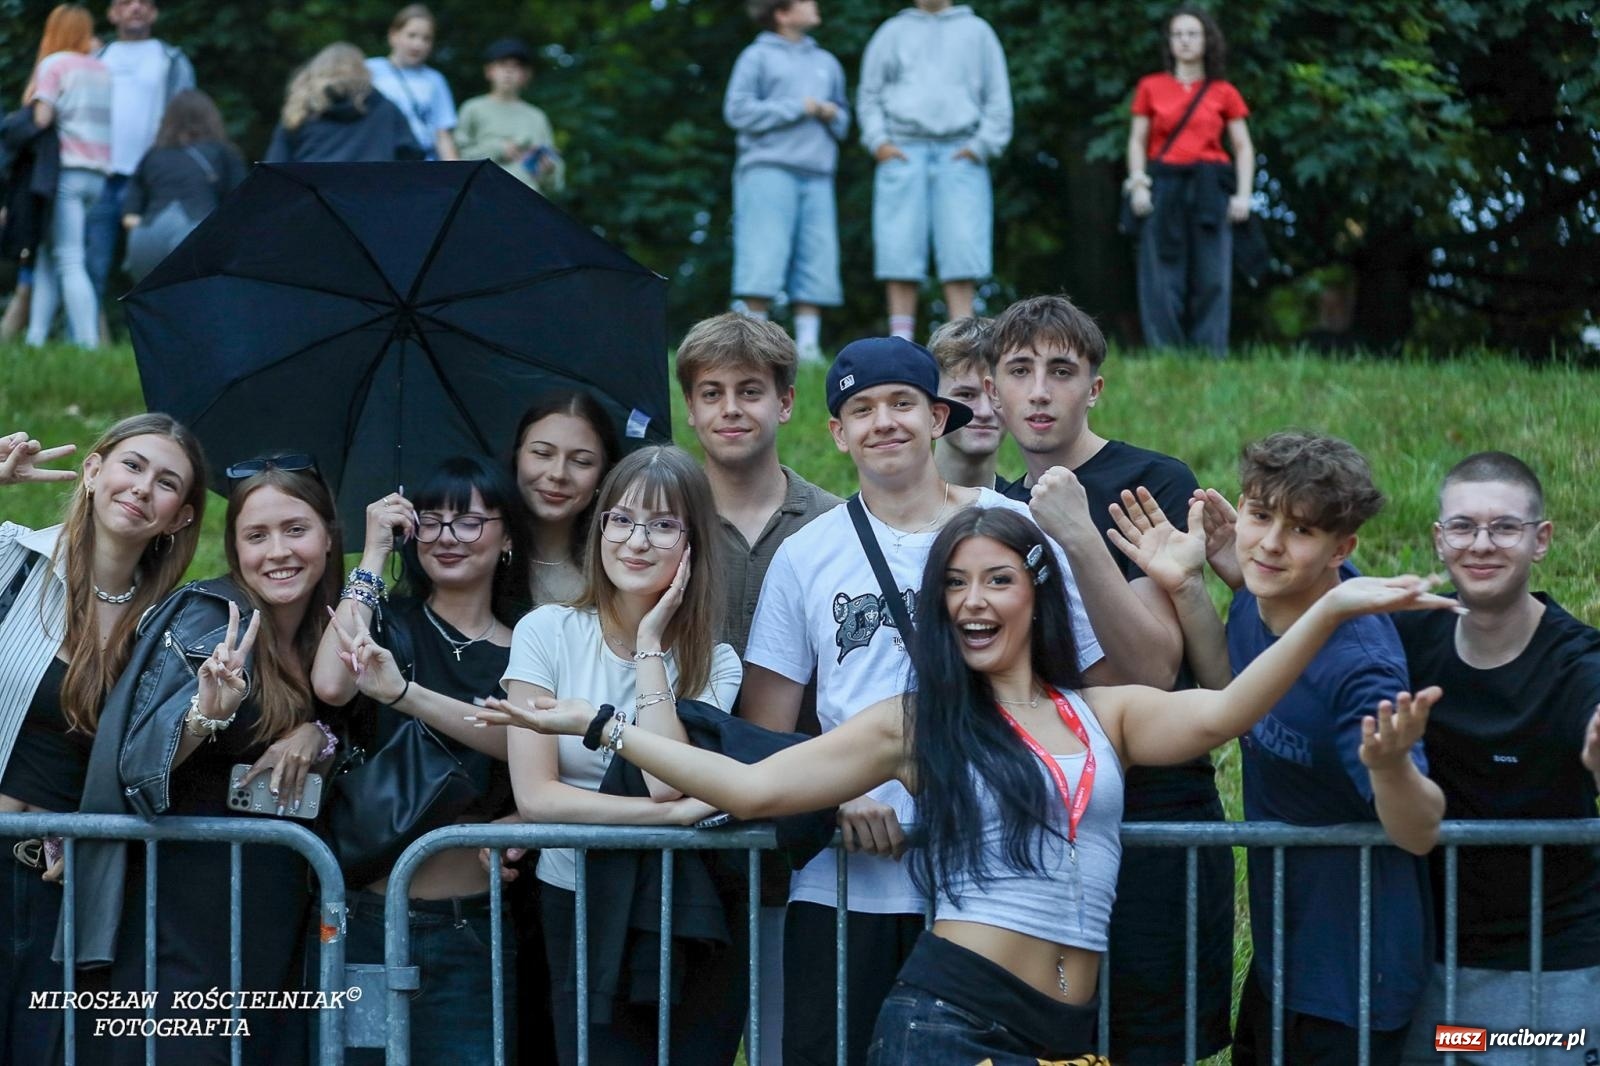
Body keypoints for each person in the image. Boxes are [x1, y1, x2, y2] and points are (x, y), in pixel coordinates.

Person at [480, 505, 1456, 1063]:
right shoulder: (918, 722)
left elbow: (1221, 710)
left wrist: (1325, 608)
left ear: (1035, 591)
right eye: (953, 584)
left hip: (1068, 1033)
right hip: (952, 1022)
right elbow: (754, 790)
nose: (971, 600)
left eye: (995, 579)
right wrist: (609, 721)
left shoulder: (1100, 712)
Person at [738, 335, 1126, 1066]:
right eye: (861, 408)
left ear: (937, 417)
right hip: (847, 885)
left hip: (994, 892)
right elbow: (766, 724)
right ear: (837, 431)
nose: (883, 422)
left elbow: (1075, 684)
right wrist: (832, 796)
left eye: (901, 404)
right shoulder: (807, 553)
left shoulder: (1013, 528)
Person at [1111, 431, 1446, 1065]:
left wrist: (1390, 765)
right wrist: (1186, 587)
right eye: (1261, 515)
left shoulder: (1361, 668)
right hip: (1283, 960)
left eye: (1301, 531)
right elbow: (1232, 695)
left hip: (1356, 979)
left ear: (1341, 550)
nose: (1268, 543)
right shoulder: (1261, 599)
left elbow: (1420, 829)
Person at [988, 293, 1234, 1061]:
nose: (1038, 391)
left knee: (1147, 1041)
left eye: (1060, 371)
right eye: (1019, 371)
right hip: (1034, 812)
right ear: (991, 388)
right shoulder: (985, 507)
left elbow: (1152, 669)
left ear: (1094, 387)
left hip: (1153, 811)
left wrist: (1076, 534)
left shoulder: (1148, 482)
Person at [78, 454, 342, 1065]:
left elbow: (351, 731)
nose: (277, 551)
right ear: (235, 548)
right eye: (256, 535)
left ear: (329, 536)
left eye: (295, 530)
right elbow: (140, 763)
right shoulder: (211, 619)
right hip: (185, 919)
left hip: (275, 916)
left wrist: (317, 736)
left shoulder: (324, 634)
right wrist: (207, 713)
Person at [491, 445, 745, 1065]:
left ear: (693, 544)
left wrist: (652, 644)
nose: (637, 541)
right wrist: (669, 822)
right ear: (600, 525)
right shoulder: (545, 631)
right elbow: (537, 798)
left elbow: (661, 782)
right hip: (574, 896)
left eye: (663, 525)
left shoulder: (718, 662)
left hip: (683, 905)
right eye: (622, 519)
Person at [313, 457, 533, 1066]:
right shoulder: (388, 619)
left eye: (468, 522)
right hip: (363, 914)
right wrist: (372, 554)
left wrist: (527, 819)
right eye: (430, 522)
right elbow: (332, 684)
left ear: (508, 535)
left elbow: (529, 747)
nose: (446, 537)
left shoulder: (534, 645)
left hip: (471, 925)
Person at [0, 418, 204, 1062]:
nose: (143, 488)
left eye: (166, 482)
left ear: (178, 518)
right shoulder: (11, 558)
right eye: (133, 466)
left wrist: (311, 734)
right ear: (93, 472)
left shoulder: (169, 630)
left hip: (56, 891)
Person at [1393, 452, 1600, 1066]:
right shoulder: (1409, 639)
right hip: (1429, 962)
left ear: (1541, 541)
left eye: (1505, 527)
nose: (1481, 544)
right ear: (1438, 539)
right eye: (1463, 526)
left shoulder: (1578, 663)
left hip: (1553, 968)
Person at [674, 311, 841, 1065]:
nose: (731, 409)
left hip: (798, 834)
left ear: (787, 402)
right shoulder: (656, 517)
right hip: (677, 826)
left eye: (750, 390)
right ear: (690, 408)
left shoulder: (837, 524)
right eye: (712, 393)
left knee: (790, 1044)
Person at [857, 0, 1011, 341]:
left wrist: (980, 146)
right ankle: (900, 343)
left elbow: (998, 98)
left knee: (962, 247)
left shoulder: (978, 32)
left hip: (960, 151)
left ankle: (962, 340)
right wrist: (879, 142)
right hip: (903, 149)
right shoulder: (891, 33)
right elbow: (869, 95)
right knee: (898, 247)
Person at [724, 0, 850, 363]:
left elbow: (843, 120)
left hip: (818, 173)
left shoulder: (827, 62)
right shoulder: (755, 57)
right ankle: (749, 342)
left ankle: (808, 348)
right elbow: (737, 110)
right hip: (768, 169)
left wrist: (831, 113)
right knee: (762, 253)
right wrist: (799, 107)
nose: (815, 6)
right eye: (805, 2)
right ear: (782, 13)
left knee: (817, 256)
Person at [1126, 6, 1255, 354]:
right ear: (1169, 42)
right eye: (1178, 34)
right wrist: (1138, 182)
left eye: (1192, 33)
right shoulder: (1150, 87)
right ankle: (1165, 354)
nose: (1185, 40)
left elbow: (1243, 147)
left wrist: (1243, 195)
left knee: (1213, 274)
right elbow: (1138, 140)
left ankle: (1210, 355)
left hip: (1210, 186)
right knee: (1161, 275)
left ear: (1207, 40)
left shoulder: (1224, 91)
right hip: (1164, 184)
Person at [85, 0, 196, 312]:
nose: (135, 7)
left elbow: (186, 122)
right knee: (92, 262)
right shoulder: (97, 58)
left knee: (155, 265)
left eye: (144, 2)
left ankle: (161, 334)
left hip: (153, 180)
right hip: (101, 174)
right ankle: (87, 340)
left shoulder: (172, 60)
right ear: (112, 13)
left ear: (154, 12)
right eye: (125, 2)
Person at [23, 4, 111, 349]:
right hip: (97, 176)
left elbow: (41, 117)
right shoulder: (103, 69)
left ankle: (88, 346)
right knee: (50, 253)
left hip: (67, 174)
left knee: (70, 259)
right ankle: (35, 340)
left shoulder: (54, 64)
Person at [510, 390, 621, 609]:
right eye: (542, 453)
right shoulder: (480, 553)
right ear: (516, 457)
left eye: (581, 461)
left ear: (603, 475)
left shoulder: (618, 566)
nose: (558, 474)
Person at [120, 89, 246, 282]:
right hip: (196, 236)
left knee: (155, 307)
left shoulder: (153, 154)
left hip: (146, 241)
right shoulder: (224, 153)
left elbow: (129, 217)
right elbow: (241, 208)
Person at [264, 42, 423, 164]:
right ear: (362, 70)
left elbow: (274, 167)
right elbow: (413, 156)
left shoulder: (298, 112)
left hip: (312, 202)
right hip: (374, 200)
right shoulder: (385, 108)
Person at [455, 38, 565, 195]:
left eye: (516, 67)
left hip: (528, 202)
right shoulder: (473, 109)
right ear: (489, 71)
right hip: (484, 198)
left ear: (526, 75)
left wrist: (549, 169)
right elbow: (457, 160)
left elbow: (556, 181)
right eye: (502, 65)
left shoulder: (537, 116)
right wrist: (498, 149)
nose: (509, 71)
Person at [366, 4, 459, 161]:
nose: (418, 44)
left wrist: (457, 175)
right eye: (411, 35)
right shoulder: (369, 71)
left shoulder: (435, 80)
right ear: (393, 35)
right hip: (379, 160)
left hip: (423, 165)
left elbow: (442, 135)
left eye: (426, 38)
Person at [928, 314, 1004, 489]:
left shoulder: (1030, 510)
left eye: (996, 394)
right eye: (966, 395)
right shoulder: (881, 511)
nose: (985, 412)